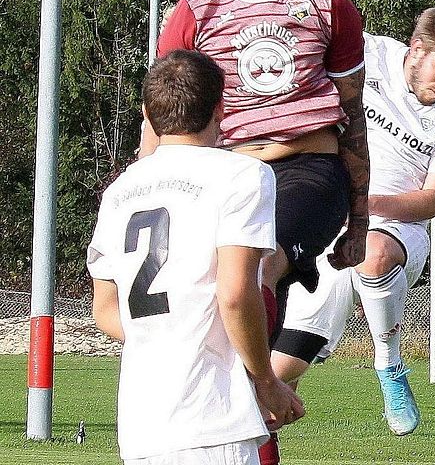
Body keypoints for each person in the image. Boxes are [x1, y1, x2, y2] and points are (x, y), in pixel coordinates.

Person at [139, 0, 369, 463]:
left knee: (258, 268)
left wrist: (360, 216)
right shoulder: (195, 10)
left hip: (307, 170)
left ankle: (254, 396)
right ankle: (247, 419)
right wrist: (142, 188)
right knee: (209, 301)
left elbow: (354, 118)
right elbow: (159, 117)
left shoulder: (328, 5)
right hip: (226, 173)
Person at [275, 3, 435, 435]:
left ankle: (389, 364)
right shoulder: (368, 56)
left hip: (396, 229)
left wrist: (364, 205)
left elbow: (431, 200)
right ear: (416, 48)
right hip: (326, 227)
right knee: (271, 385)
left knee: (371, 255)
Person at [87, 50, 304, 465]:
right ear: (222, 107)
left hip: (142, 424)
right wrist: (265, 381)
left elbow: (106, 308)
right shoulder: (242, 175)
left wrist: (171, 336)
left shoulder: (119, 191)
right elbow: (237, 292)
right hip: (213, 417)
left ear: (148, 115)